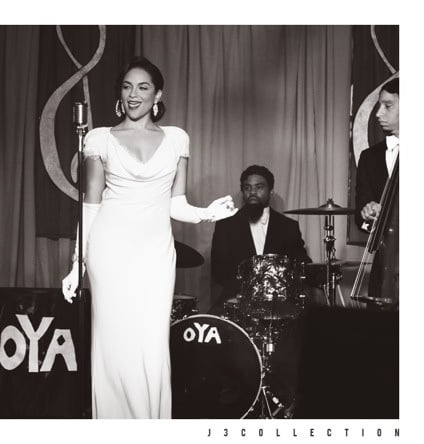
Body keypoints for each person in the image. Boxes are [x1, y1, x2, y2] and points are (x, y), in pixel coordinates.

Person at [61, 56, 236, 419]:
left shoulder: (177, 139)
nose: (133, 95)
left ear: (158, 93)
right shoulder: (99, 139)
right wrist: (77, 263)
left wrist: (208, 213)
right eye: (127, 87)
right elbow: (90, 207)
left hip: (156, 255)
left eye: (142, 87)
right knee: (113, 346)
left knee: (152, 346)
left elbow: (177, 204)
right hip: (109, 252)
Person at [210, 165, 312, 309]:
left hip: (278, 304)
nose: (252, 192)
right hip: (237, 302)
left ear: (271, 192)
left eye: (259, 187)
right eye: (247, 188)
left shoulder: (289, 227)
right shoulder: (225, 225)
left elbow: (300, 265)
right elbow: (218, 271)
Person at [355, 78, 399, 300]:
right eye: (379, 106)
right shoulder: (369, 157)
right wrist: (367, 214)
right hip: (384, 269)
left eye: (388, 105)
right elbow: (359, 218)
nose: (379, 113)